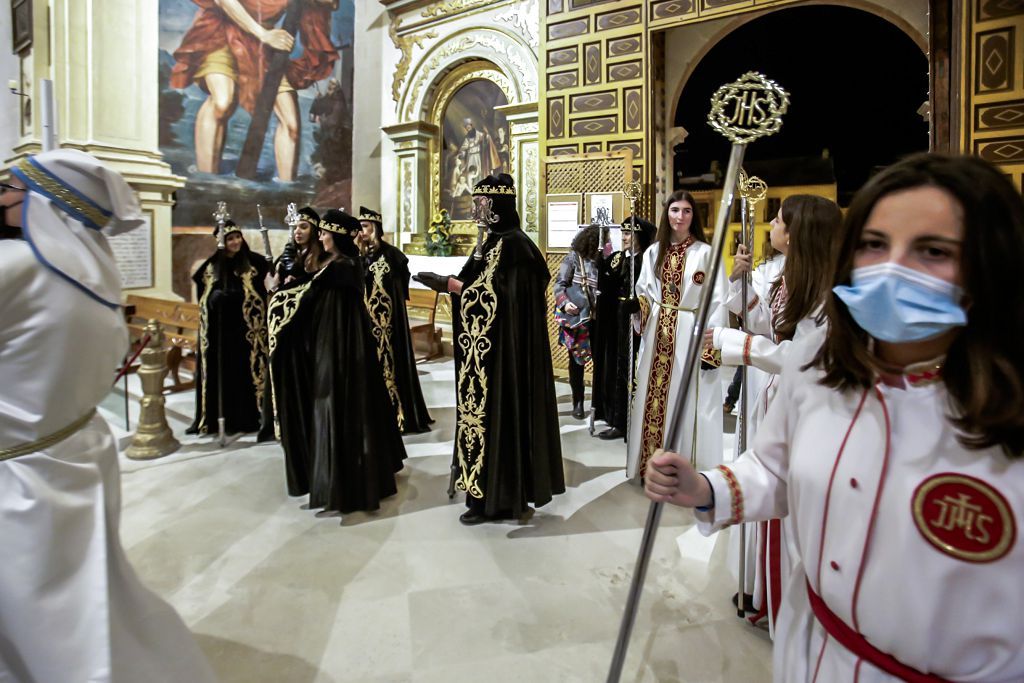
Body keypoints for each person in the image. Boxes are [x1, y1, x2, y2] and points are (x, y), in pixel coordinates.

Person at [645, 153, 1024, 682]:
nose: (893, 268)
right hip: (812, 651)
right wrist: (704, 487)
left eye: (932, 250)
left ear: (990, 263)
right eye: (874, 244)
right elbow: (776, 467)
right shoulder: (821, 354)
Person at [0, 149, 216, 681]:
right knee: (86, 597)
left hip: (24, 471)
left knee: (56, 615)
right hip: (71, 450)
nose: (3, 196)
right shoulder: (95, 284)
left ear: (42, 208)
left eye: (11, 188)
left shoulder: (18, 270)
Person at [708, 194, 844, 630]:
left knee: (781, 503)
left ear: (798, 231)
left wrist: (740, 345)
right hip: (769, 395)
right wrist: (741, 286)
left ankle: (777, 600)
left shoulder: (832, 294)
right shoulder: (789, 277)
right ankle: (758, 589)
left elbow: (801, 357)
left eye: (779, 221)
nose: (770, 226)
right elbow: (768, 326)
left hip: (801, 407)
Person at [415, 174, 565, 525]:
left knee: (502, 420)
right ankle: (479, 493)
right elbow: (473, 282)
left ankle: (502, 498)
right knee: (480, 420)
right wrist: (450, 285)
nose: (476, 209)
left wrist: (452, 286)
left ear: (498, 205)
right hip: (482, 356)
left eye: (482, 203)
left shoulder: (517, 247)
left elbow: (505, 298)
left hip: (505, 359)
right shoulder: (490, 243)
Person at [268, 209, 405, 514]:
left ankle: (344, 483)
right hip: (340, 349)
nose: (321, 236)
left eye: (325, 233)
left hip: (338, 354)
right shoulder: (342, 265)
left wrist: (276, 293)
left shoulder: (339, 268)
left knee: (337, 410)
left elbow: (302, 298)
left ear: (338, 237)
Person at [169, 0, 338, 180]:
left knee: (291, 125)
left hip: (265, 49)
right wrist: (263, 34)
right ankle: (207, 180)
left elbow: (329, 3)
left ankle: (286, 189)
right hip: (221, 34)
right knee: (222, 102)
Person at [625, 190, 727, 480]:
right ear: (665, 214)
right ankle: (651, 467)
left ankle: (685, 473)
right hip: (657, 335)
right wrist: (638, 306)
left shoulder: (706, 254)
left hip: (689, 335)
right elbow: (645, 292)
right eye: (674, 210)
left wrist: (711, 348)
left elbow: (716, 301)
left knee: (688, 402)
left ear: (694, 217)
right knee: (652, 402)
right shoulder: (653, 253)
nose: (680, 217)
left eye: (686, 211)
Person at [187, 219, 270, 436]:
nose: (235, 242)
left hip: (246, 334)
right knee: (224, 375)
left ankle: (249, 417)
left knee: (245, 373)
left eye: (237, 237)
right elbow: (202, 294)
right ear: (221, 242)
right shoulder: (212, 267)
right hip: (221, 334)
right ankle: (217, 419)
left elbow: (264, 291)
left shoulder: (255, 263)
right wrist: (213, 298)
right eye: (230, 238)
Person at [357, 206, 433, 434]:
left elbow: (398, 289)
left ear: (376, 229)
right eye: (359, 228)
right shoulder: (356, 257)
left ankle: (399, 411)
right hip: (366, 322)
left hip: (388, 322)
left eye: (366, 227)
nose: (362, 232)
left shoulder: (392, 256)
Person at [258, 205, 325, 442]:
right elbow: (274, 289)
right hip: (287, 329)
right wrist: (274, 287)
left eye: (303, 227)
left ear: (315, 231)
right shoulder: (287, 256)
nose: (298, 231)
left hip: (309, 330)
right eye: (295, 227)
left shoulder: (322, 259)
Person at [594, 216, 656, 440]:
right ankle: (615, 417)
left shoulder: (646, 261)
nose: (625, 238)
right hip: (615, 321)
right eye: (623, 233)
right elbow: (607, 283)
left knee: (632, 369)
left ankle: (630, 420)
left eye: (629, 233)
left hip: (636, 322)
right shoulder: (618, 258)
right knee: (616, 368)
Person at [553, 224, 602, 420]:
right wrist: (565, 304)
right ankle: (578, 402)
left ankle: (598, 404)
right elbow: (559, 284)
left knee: (601, 362)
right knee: (576, 362)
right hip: (576, 319)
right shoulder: (573, 257)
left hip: (598, 319)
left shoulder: (604, 260)